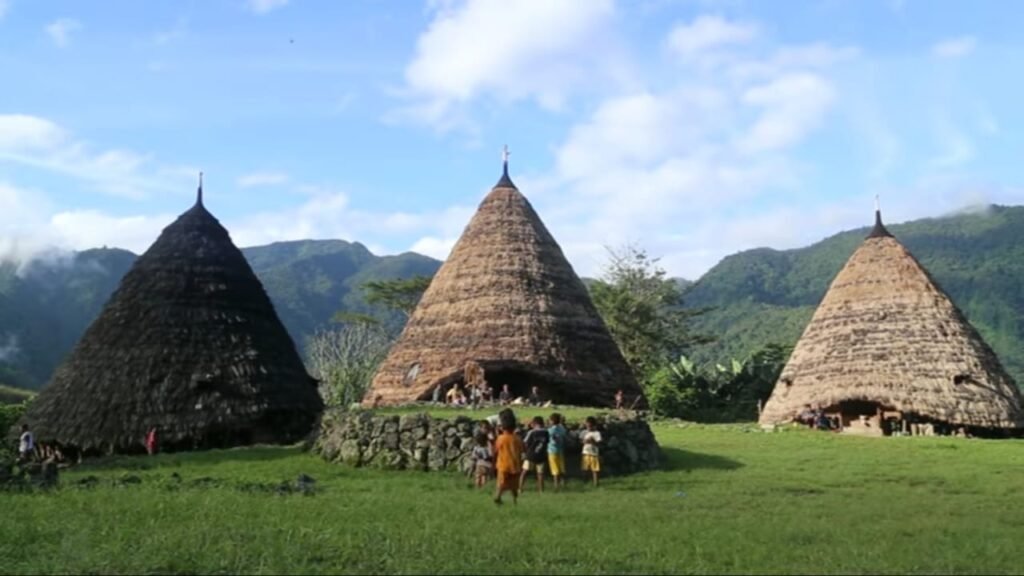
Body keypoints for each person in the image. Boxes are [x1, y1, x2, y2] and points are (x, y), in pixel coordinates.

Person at [493, 420, 524, 505]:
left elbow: (495, 451)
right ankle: (515, 501)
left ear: (502, 428)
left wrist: (493, 463)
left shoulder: (501, 438)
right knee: (514, 485)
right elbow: (522, 450)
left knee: (501, 483)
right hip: (515, 464)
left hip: (503, 464)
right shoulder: (517, 438)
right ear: (514, 428)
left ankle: (498, 497)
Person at [520, 416, 549, 493]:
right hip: (541, 455)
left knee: (524, 472)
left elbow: (525, 442)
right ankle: (541, 490)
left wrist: (524, 452)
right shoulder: (546, 432)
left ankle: (520, 488)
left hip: (531, 455)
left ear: (535, 423)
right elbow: (547, 442)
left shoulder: (532, 432)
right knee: (540, 474)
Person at [547, 412, 568, 491]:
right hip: (560, 449)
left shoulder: (551, 430)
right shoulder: (562, 428)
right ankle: (563, 482)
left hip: (552, 450)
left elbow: (548, 437)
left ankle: (556, 485)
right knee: (561, 467)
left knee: (554, 468)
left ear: (552, 421)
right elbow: (564, 435)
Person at [581, 417, 602, 487]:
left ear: (594, 426)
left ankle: (596, 483)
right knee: (585, 469)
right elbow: (582, 441)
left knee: (595, 469)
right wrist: (585, 441)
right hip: (586, 453)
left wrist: (592, 441)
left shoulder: (597, 433)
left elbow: (599, 442)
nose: (588, 428)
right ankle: (584, 481)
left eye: (590, 426)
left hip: (594, 454)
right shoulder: (585, 432)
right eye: (587, 426)